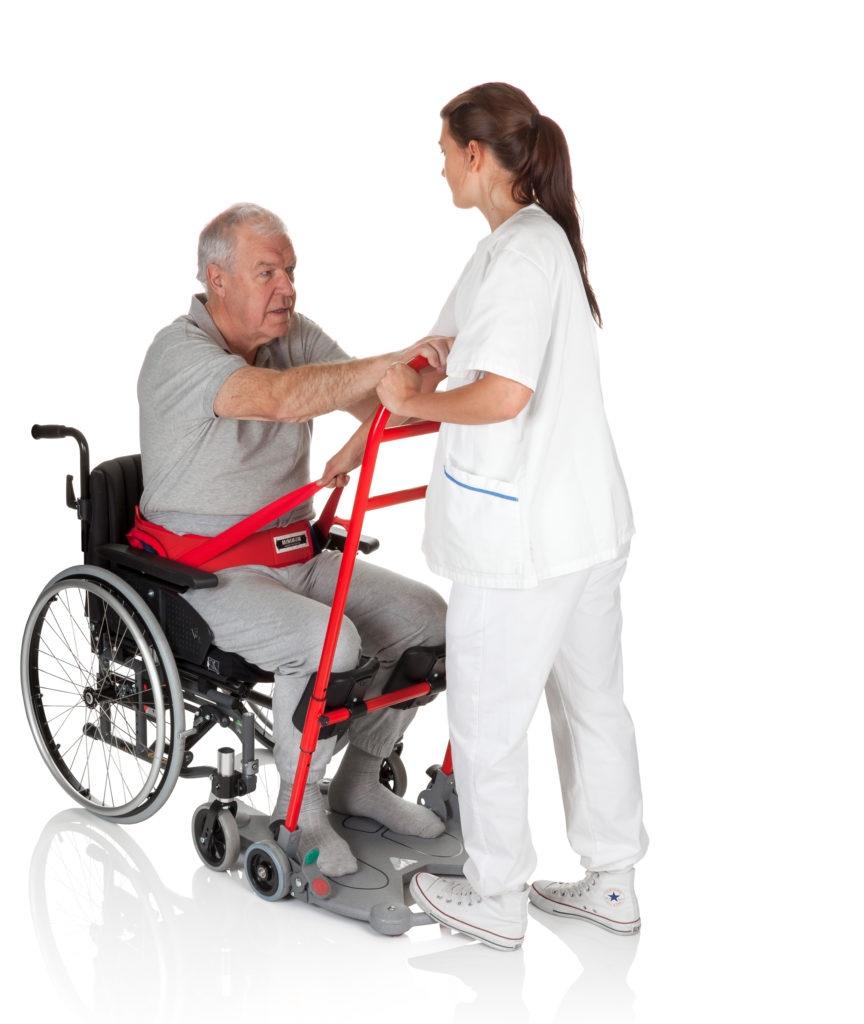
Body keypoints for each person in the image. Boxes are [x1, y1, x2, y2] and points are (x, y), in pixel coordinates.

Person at [323, 84, 647, 948]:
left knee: (487, 718)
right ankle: (613, 884)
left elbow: (502, 394)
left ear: (476, 155)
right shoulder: (518, 245)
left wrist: (418, 406)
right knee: (592, 708)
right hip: (582, 528)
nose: (438, 167)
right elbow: (441, 349)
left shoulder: (524, 256)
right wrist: (374, 422)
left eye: (443, 151)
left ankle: (496, 899)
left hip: (524, 542)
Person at [137, 202, 451, 877]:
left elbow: (377, 404)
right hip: (204, 575)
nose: (286, 288)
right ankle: (298, 811)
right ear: (217, 280)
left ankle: (360, 782)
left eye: (290, 271)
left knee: (428, 619)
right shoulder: (177, 353)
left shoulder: (293, 335)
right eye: (267, 273)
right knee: (327, 642)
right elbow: (283, 397)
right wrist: (391, 362)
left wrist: (419, 380)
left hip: (294, 555)